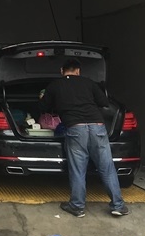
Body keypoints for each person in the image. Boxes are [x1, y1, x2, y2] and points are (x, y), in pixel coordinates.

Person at [40, 58, 129, 218]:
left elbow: (44, 107)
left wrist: (45, 98)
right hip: (97, 127)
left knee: (78, 169)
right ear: (78, 71)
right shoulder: (89, 83)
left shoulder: (55, 85)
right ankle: (118, 206)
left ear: (62, 71)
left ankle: (77, 206)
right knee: (107, 167)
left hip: (75, 128)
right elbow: (104, 102)